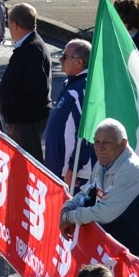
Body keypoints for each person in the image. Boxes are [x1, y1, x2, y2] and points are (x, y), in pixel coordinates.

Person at [60, 120, 139, 270]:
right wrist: (68, 207)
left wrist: (69, 217)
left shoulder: (132, 170)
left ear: (122, 144)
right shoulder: (103, 164)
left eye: (106, 142)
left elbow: (105, 213)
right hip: (120, 248)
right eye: (96, 142)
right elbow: (87, 193)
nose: (99, 148)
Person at [0, 3, 51, 159]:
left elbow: (35, 90)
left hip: (26, 122)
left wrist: (13, 112)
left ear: (14, 25)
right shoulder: (30, 44)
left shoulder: (32, 49)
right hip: (22, 120)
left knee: (27, 163)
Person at [42, 39, 92, 189]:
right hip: (59, 171)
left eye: (65, 57)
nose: (60, 59)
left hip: (73, 176)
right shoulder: (71, 84)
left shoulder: (82, 90)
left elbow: (87, 133)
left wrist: (73, 168)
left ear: (79, 62)